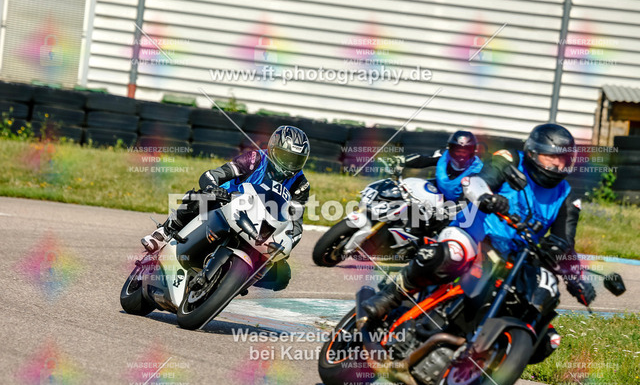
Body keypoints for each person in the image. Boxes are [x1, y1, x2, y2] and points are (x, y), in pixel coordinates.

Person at [363, 123, 595, 324]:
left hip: (514, 258)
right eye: (551, 157)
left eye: (563, 159)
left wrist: (576, 279)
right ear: (533, 153)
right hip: (474, 235)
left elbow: (564, 242)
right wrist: (487, 198)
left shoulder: (566, 195)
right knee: (453, 254)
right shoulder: (510, 159)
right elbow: (478, 181)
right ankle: (391, 295)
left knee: (540, 298)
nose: (558, 165)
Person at [141, 125, 311, 291]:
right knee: (201, 197)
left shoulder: (300, 184)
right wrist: (213, 188)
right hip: (227, 204)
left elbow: (295, 224)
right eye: (286, 156)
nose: (290, 164)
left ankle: (237, 281)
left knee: (282, 275)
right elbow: (213, 175)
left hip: (261, 227)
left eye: (296, 160)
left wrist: (286, 244)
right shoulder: (255, 159)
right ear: (273, 149)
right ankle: (165, 232)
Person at [398, 130, 484, 201]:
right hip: (437, 201)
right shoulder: (443, 157)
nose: (460, 155)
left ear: (472, 152)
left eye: (464, 152)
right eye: (457, 151)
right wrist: (401, 161)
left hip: (464, 207)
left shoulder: (480, 169)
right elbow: (424, 160)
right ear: (450, 149)